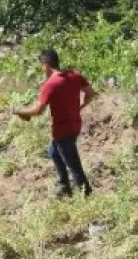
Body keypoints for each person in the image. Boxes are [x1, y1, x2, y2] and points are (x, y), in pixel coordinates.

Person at [13, 49, 97, 198]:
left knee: (74, 165)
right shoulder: (75, 75)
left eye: (41, 66)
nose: (42, 69)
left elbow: (38, 110)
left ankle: (87, 196)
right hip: (75, 125)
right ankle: (64, 185)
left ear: (45, 64)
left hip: (62, 131)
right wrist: (81, 106)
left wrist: (20, 111)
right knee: (53, 151)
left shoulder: (51, 84)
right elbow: (91, 93)